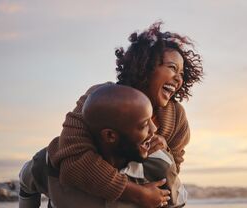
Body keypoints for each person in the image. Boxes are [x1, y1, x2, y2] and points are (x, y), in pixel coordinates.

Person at [20, 21, 203, 208]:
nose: (179, 78)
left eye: (182, 73)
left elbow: (171, 171)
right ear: (146, 66)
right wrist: (137, 194)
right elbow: (73, 158)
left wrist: (166, 150)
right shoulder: (100, 98)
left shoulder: (176, 117)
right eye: (172, 68)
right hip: (80, 189)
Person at [19, 85, 186, 208]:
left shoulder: (160, 166)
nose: (155, 130)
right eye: (143, 125)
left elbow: (179, 203)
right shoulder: (51, 162)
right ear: (110, 135)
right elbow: (26, 182)